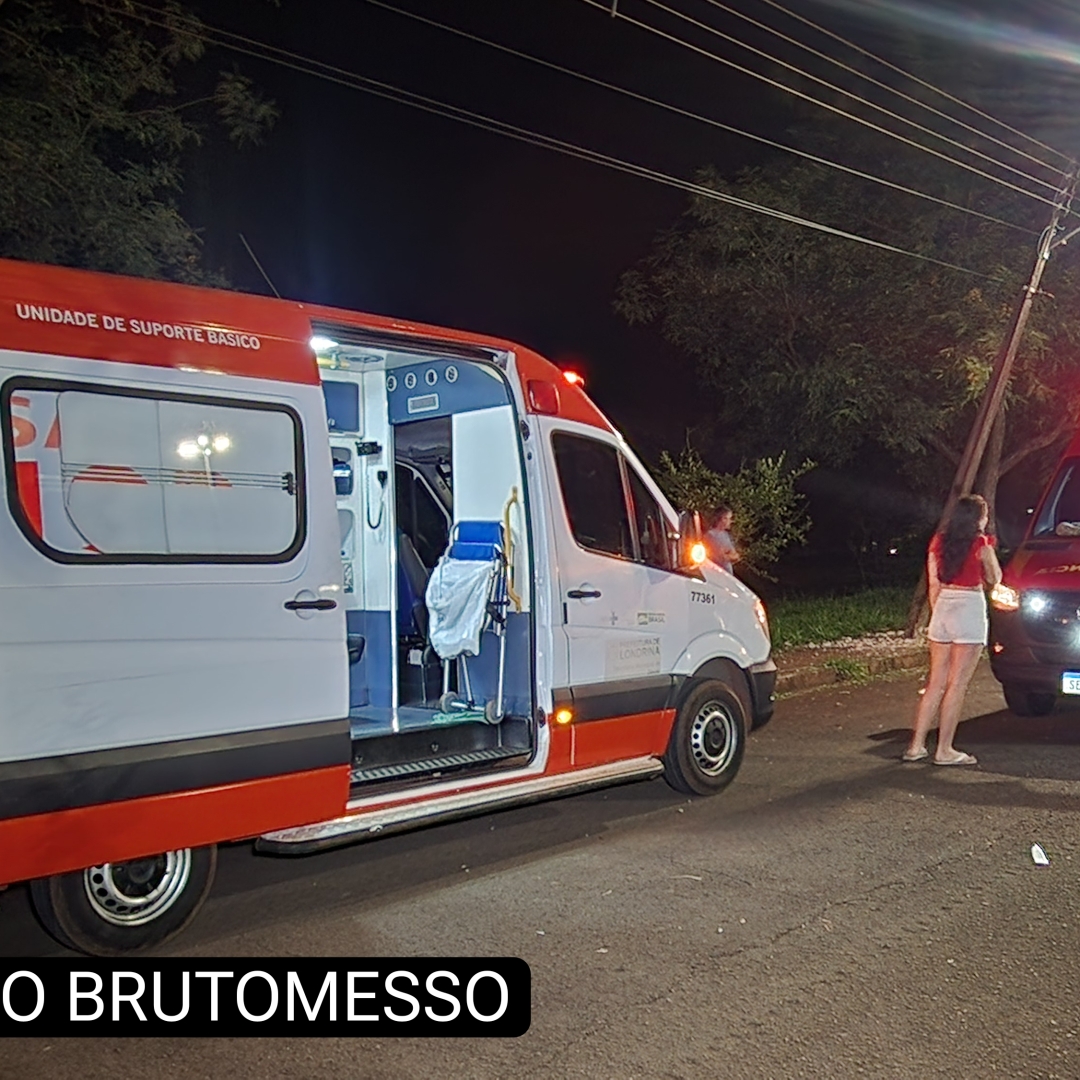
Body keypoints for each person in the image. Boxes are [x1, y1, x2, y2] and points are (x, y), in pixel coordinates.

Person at [904, 494, 1001, 766]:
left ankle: (916, 746)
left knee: (935, 682)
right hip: (969, 606)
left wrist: (938, 614)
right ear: (978, 518)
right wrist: (987, 547)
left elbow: (933, 584)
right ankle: (944, 749)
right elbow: (995, 578)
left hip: (944, 606)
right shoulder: (980, 543)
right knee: (957, 685)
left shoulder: (938, 542)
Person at [705, 505, 740, 573]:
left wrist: (728, 555)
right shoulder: (710, 535)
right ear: (723, 519)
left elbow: (736, 556)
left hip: (728, 574)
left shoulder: (726, 535)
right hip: (716, 574)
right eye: (729, 518)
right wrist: (727, 555)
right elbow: (719, 557)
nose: (731, 521)